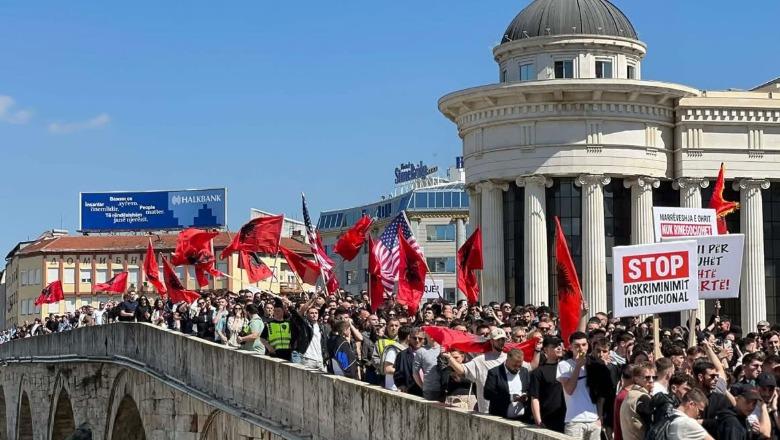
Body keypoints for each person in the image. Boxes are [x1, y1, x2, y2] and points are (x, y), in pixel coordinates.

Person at [442, 327, 508, 413]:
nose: (501, 342)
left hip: (506, 409)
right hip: (486, 410)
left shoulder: (509, 358)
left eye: (503, 339)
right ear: (491, 341)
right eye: (498, 340)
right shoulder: (481, 360)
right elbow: (462, 370)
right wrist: (449, 357)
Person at [557, 331, 600, 440]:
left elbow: (600, 394)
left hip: (594, 420)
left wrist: (600, 419)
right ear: (571, 347)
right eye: (577, 345)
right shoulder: (564, 365)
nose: (581, 348)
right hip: (574, 421)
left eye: (584, 345)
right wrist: (578, 366)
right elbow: (569, 390)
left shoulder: (594, 365)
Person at [529, 335, 566, 432]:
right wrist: (538, 421)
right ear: (545, 349)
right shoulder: (538, 372)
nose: (559, 348)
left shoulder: (568, 368)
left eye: (559, 345)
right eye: (554, 346)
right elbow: (534, 397)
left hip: (569, 419)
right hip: (548, 420)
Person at [483, 348, 530, 421]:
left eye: (519, 366)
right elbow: (487, 394)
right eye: (514, 365)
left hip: (522, 419)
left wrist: (525, 396)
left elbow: (528, 389)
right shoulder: (495, 373)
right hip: (501, 419)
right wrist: (510, 398)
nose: (517, 369)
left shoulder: (524, 371)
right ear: (507, 359)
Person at [291, 296, 328, 371]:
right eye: (311, 313)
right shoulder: (304, 325)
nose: (314, 315)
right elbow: (299, 313)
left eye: (316, 313)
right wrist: (312, 299)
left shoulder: (322, 327)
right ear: (307, 315)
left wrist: (324, 300)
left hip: (320, 360)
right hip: (308, 360)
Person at [619, 362, 654, 440]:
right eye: (647, 377)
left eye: (654, 377)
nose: (651, 380)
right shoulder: (642, 398)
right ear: (636, 379)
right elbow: (654, 424)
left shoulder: (630, 395)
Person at [394, 327, 424, 396]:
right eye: (414, 338)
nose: (417, 340)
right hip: (411, 392)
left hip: (429, 391)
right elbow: (398, 374)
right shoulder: (402, 355)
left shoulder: (429, 353)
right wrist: (402, 385)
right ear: (409, 338)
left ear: (424, 340)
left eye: (420, 338)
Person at [413, 333, 442, 401]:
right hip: (430, 391)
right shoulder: (421, 351)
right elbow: (415, 372)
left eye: (433, 332)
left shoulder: (444, 349)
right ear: (425, 335)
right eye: (429, 333)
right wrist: (423, 387)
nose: (432, 335)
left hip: (445, 388)